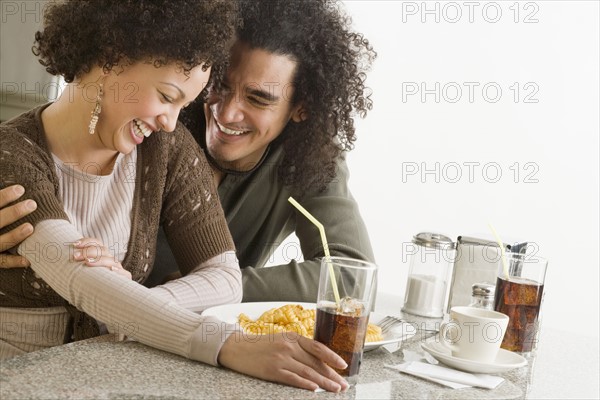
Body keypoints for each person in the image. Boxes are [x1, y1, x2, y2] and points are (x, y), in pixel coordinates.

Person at [0, 0, 348, 393]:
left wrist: (127, 304)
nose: (170, 121)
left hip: (109, 381)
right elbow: (81, 278)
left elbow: (224, 278)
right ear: (111, 57)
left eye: (184, 104)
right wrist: (226, 343)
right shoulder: (11, 155)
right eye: (167, 96)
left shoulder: (164, 149)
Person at [150, 0, 378, 301]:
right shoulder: (158, 121)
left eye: (258, 100)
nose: (228, 113)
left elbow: (351, 279)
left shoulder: (306, 156)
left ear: (302, 108)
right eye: (220, 84)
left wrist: (215, 288)